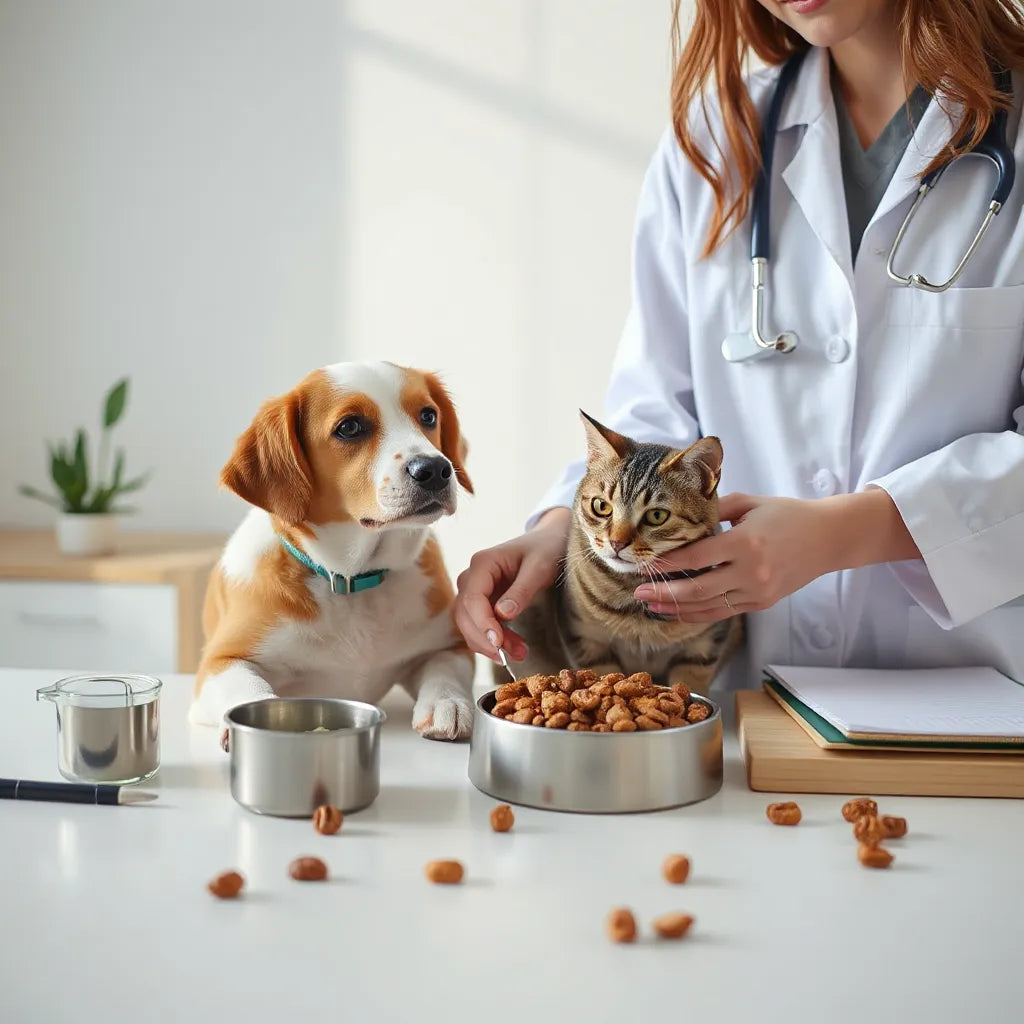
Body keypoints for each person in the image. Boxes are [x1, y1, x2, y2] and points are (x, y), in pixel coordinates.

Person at [454, 0, 1024, 691]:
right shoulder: (712, 140)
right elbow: (655, 413)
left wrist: (842, 533)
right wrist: (559, 536)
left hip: (978, 698)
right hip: (740, 706)